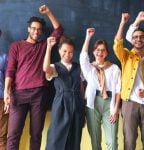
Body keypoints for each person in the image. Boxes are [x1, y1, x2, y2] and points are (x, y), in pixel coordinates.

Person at [4, 4, 63, 150]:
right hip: (18, 93)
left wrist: (49, 12)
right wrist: (6, 91)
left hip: (39, 94)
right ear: (28, 29)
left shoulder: (44, 45)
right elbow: (10, 70)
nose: (37, 32)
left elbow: (59, 30)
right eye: (34, 28)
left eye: (39, 30)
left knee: (36, 135)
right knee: (13, 134)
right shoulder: (16, 46)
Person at [80, 28, 121, 150]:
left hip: (110, 104)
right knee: (95, 140)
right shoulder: (89, 68)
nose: (100, 53)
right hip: (93, 104)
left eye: (103, 50)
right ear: (93, 52)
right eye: (97, 50)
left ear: (107, 53)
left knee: (112, 142)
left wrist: (116, 109)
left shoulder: (114, 68)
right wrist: (88, 37)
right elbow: (83, 57)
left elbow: (119, 90)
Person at [113, 13, 144, 150]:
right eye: (135, 37)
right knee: (129, 139)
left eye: (141, 37)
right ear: (132, 40)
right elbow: (117, 44)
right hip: (129, 102)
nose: (138, 39)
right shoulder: (126, 55)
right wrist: (122, 23)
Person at [43, 36, 85, 150]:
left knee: (74, 137)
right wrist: (48, 48)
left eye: (70, 52)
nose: (67, 54)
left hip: (76, 104)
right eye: (65, 51)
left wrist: (82, 106)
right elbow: (46, 69)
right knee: (56, 137)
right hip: (61, 104)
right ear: (59, 51)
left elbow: (81, 87)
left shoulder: (78, 67)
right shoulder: (55, 67)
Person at [0, 29, 8, 150]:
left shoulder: (4, 57)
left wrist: (8, 99)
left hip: (1, 99)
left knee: (1, 137)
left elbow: (9, 79)